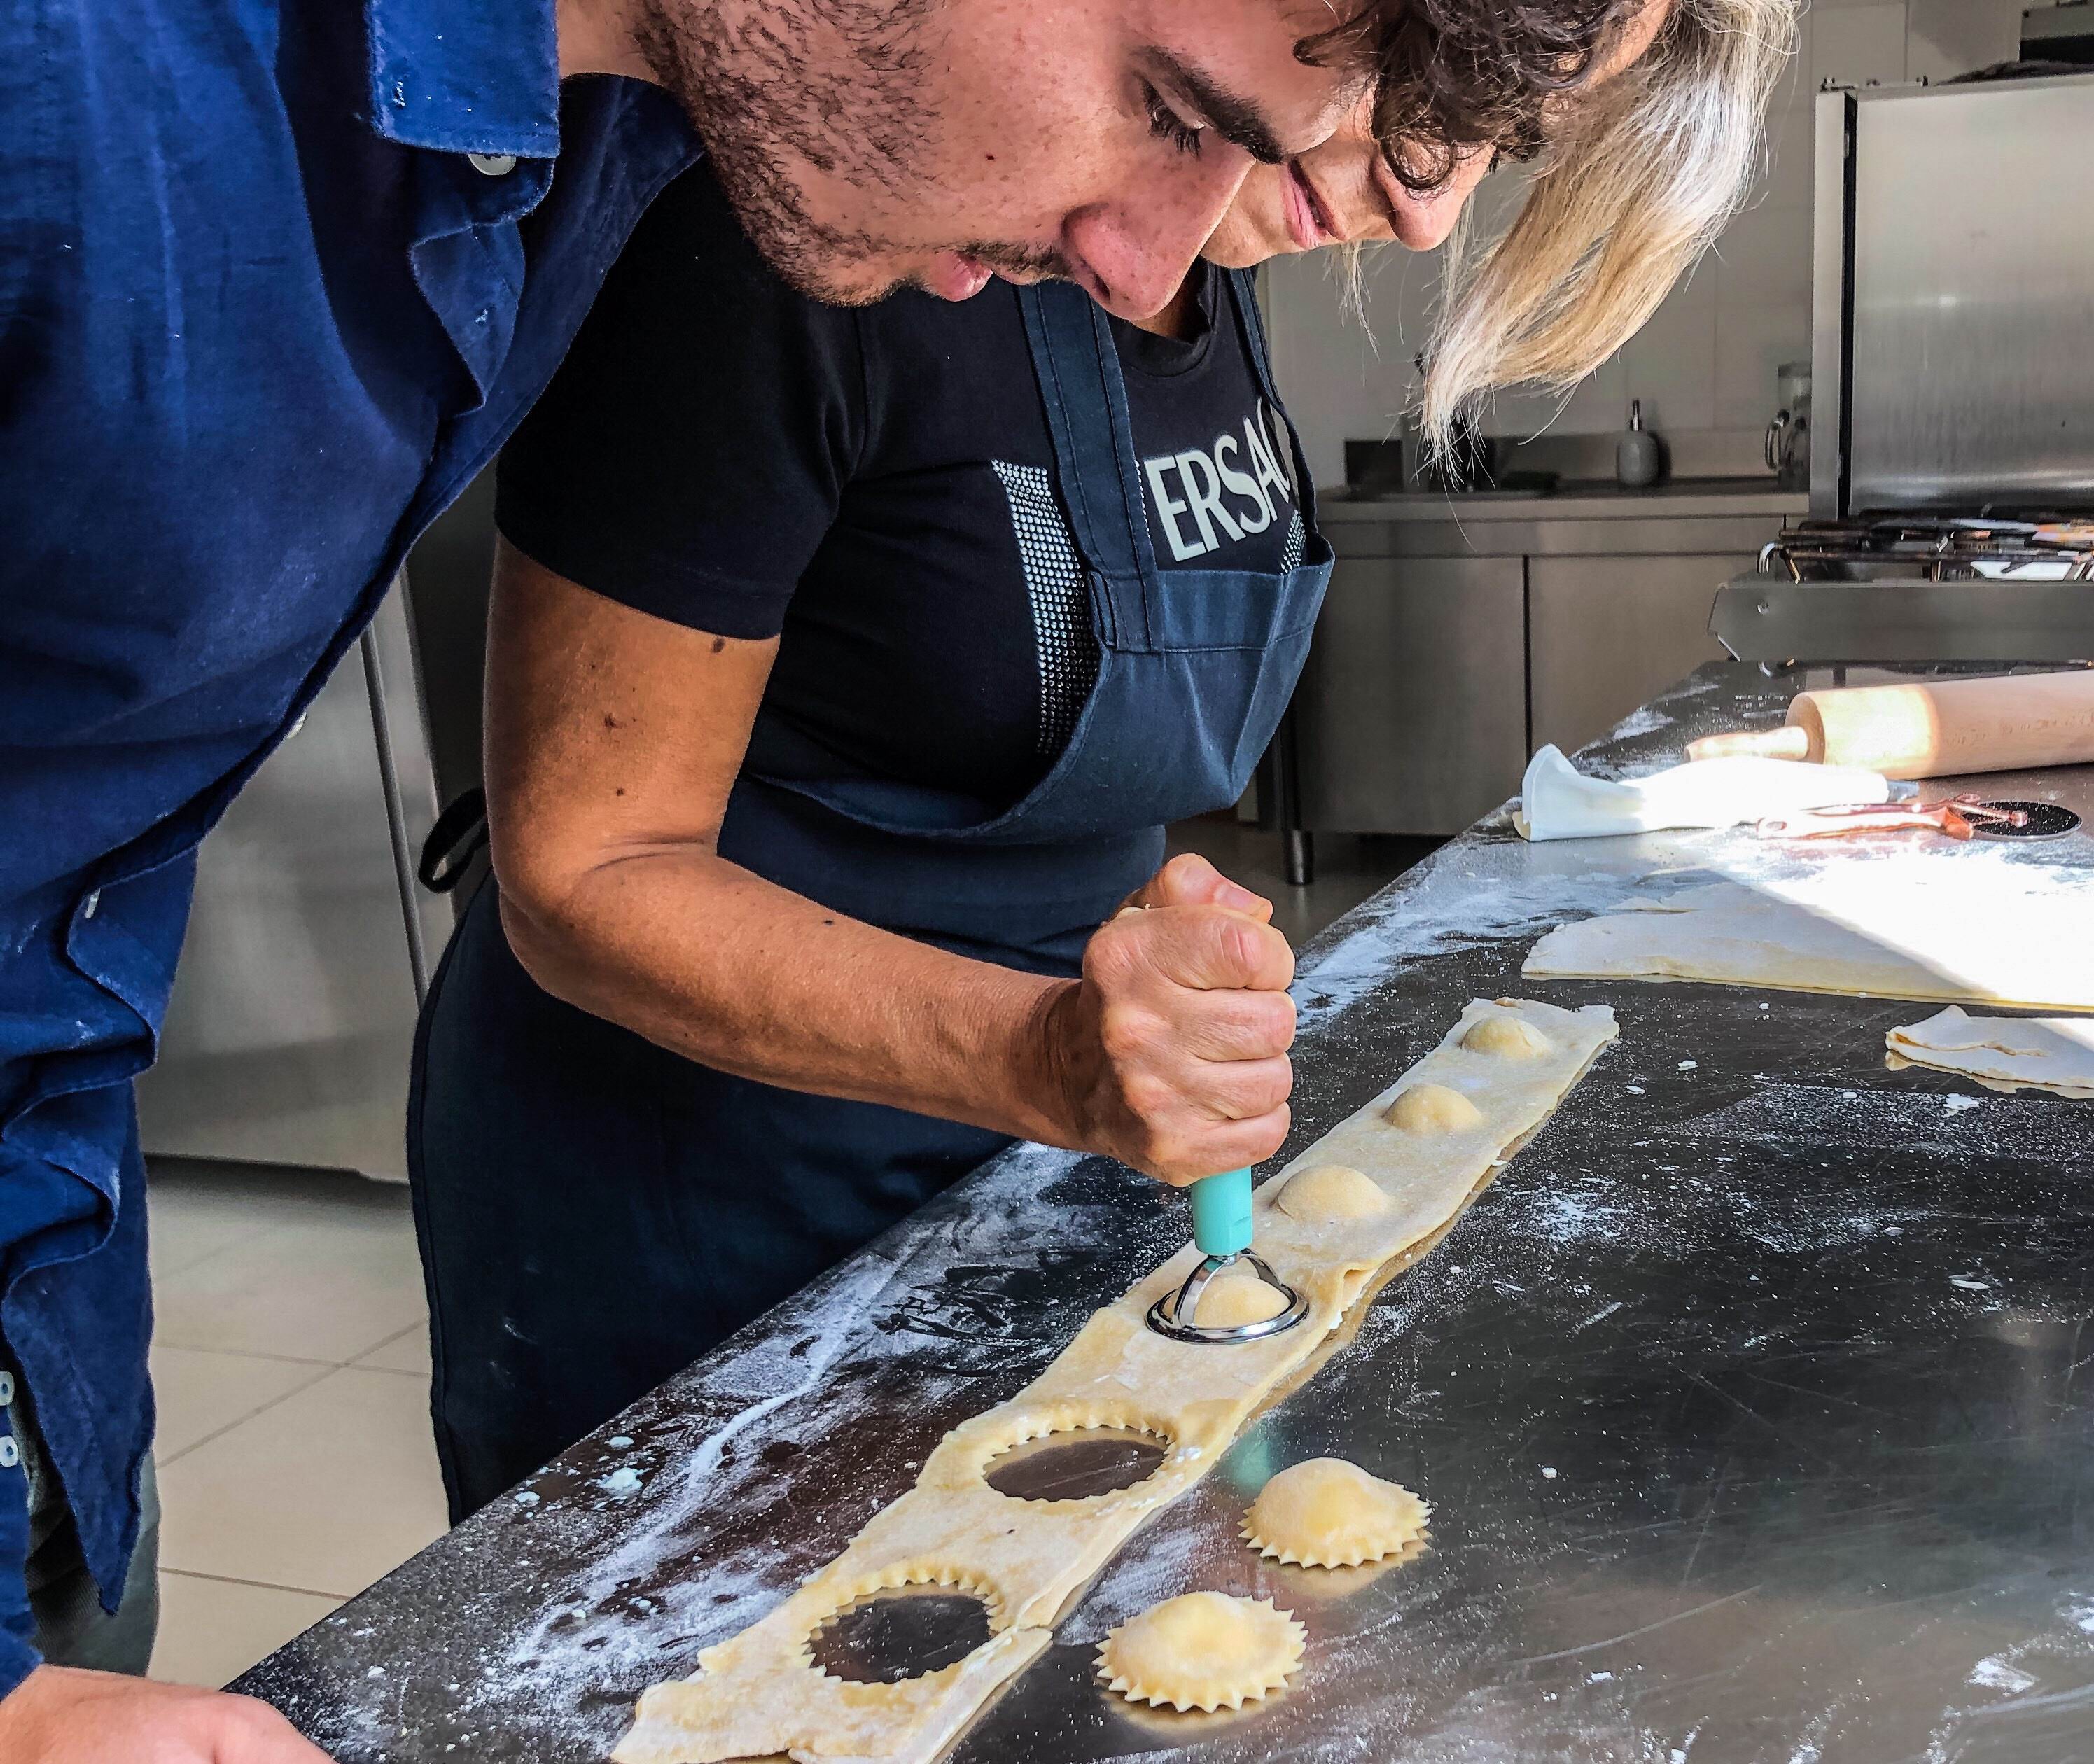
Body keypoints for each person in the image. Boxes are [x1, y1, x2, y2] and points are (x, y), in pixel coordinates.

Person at [0, 0, 1653, 1749]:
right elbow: (589, 853)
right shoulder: (95, 93)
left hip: (55, 1322)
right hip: (691, 1187)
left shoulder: (606, 135)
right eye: (1168, 108)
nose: (1137, 252)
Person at [407, 0, 1789, 1518]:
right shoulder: (821, 218)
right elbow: (584, 868)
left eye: (1497, 153)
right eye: (1429, 115)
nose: (1425, 209)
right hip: (704, 1186)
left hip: (1033, 1166)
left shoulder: (1190, 264)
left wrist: (1142, 1025)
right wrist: (1045, 1056)